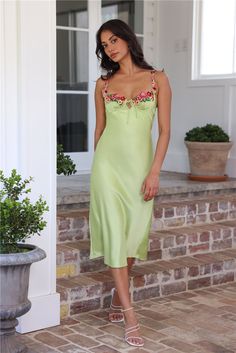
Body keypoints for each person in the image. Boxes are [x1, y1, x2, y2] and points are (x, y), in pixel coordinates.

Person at [89, 19, 171, 347]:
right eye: (104, 44)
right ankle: (130, 313)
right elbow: (99, 130)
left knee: (134, 238)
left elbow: (164, 131)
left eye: (113, 40)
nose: (110, 47)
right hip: (107, 169)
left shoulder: (158, 79)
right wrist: (99, 167)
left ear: (126, 38)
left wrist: (155, 172)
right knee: (113, 235)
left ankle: (116, 296)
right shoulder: (103, 84)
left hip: (140, 171)